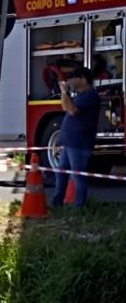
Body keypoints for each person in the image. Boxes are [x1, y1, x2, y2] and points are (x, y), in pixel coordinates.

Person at [51, 67, 101, 209]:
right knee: (61, 173)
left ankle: (80, 206)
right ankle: (57, 203)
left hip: (79, 143)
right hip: (69, 142)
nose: (70, 81)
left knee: (77, 174)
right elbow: (65, 107)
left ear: (83, 79)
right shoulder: (79, 95)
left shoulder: (90, 95)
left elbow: (72, 111)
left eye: (73, 78)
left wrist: (65, 92)